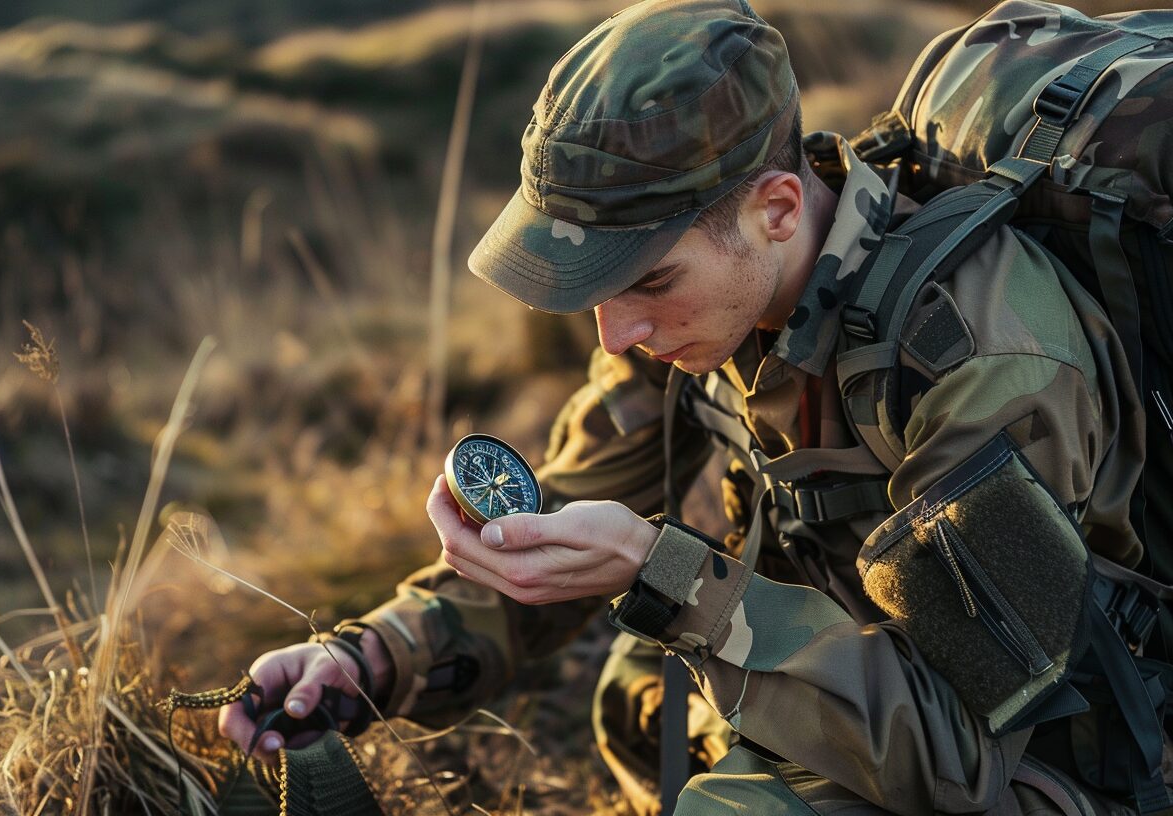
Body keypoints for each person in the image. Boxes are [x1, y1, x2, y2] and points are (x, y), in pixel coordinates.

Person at [220, 0, 1150, 813]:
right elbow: (554, 510)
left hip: (1072, 756)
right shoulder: (711, 306)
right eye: (595, 283)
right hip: (888, 674)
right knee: (640, 699)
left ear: (779, 209)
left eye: (646, 280)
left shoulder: (985, 358)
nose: (613, 334)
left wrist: (662, 574)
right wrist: (374, 659)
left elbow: (960, 755)